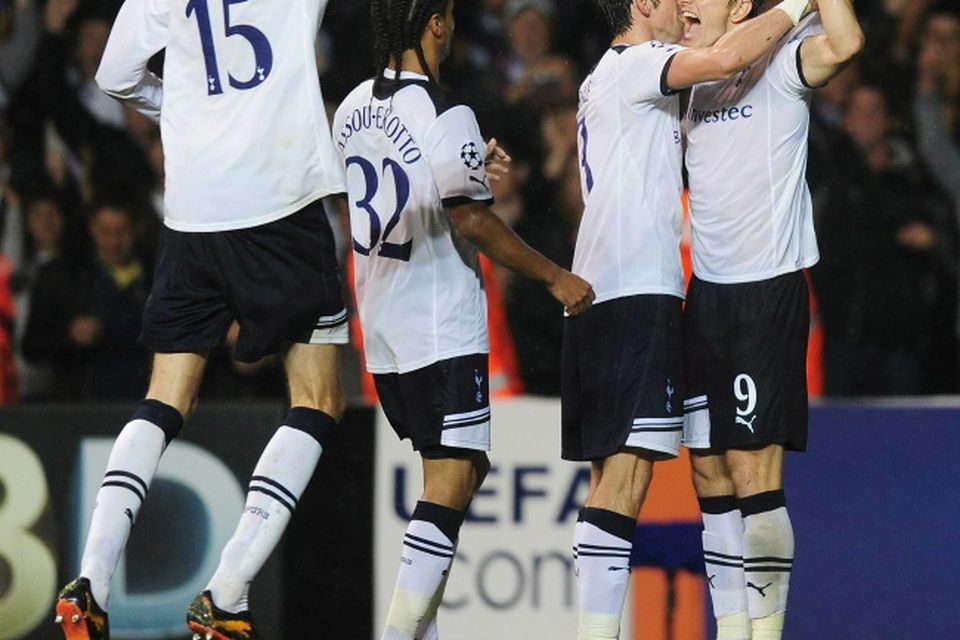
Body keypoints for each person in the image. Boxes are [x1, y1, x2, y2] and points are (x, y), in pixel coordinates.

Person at [53, 1, 348, 639]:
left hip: (192, 209)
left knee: (165, 396)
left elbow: (114, 74)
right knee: (319, 398)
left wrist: (186, 111)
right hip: (278, 202)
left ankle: (91, 578)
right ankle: (228, 588)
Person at [333, 2, 595, 638]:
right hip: (440, 323)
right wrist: (555, 276)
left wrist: (470, 165)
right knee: (452, 478)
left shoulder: (348, 108)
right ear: (436, 24)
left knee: (461, 471)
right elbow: (471, 218)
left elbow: (403, 182)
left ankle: (421, 631)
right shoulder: (445, 112)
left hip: (384, 326)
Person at [563, 0, 817, 638]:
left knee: (656, 473)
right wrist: (794, 5)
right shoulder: (644, 62)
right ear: (643, 5)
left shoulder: (600, 77)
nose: (683, 7)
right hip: (637, 291)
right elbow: (730, 57)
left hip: (603, 292)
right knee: (625, 483)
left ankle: (725, 628)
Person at [679, 0, 863, 637]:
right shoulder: (689, 72)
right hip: (704, 295)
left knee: (754, 467)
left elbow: (845, 41)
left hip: (765, 292)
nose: (682, 4)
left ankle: (766, 631)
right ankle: (734, 630)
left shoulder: (785, 59)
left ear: (735, 6)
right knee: (707, 467)